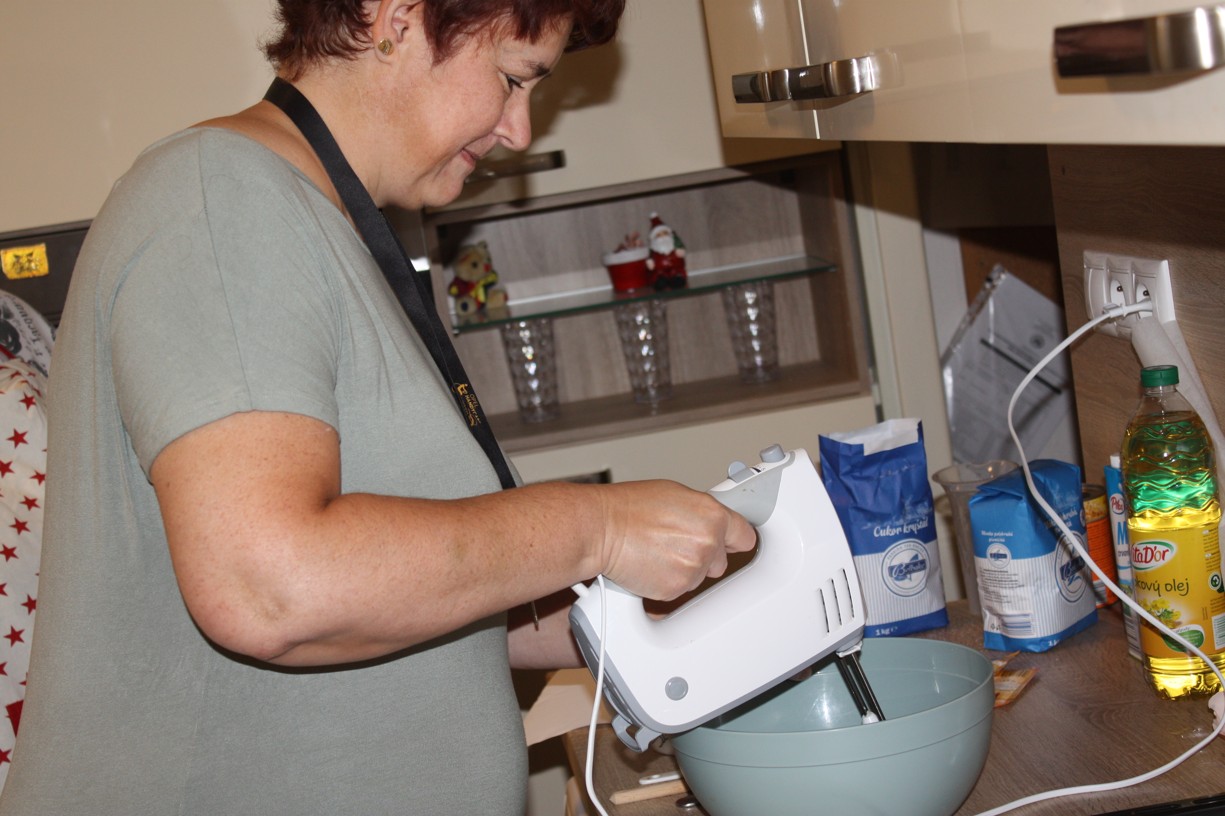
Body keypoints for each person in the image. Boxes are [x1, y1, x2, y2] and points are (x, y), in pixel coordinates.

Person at [0, 1, 756, 813]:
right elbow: (267, 587)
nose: (519, 131)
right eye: (512, 79)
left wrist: (657, 600)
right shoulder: (219, 201)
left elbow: (398, 593)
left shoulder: (324, 223)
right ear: (396, 17)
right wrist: (594, 526)